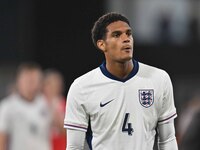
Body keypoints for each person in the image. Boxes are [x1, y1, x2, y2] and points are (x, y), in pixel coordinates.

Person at [64, 12, 178, 150]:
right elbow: (75, 147)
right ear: (102, 44)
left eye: (129, 34)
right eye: (117, 35)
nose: (126, 39)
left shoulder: (159, 78)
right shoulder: (81, 87)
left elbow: (168, 139)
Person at [0, 62, 52, 150]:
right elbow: (2, 139)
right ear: (18, 81)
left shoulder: (47, 103)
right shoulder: (8, 106)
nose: (30, 84)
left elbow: (63, 130)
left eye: (34, 80)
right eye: (27, 80)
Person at [42, 69, 66, 150]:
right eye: (49, 85)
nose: (52, 88)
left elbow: (68, 132)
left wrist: (57, 115)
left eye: (56, 85)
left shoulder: (65, 104)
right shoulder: (38, 104)